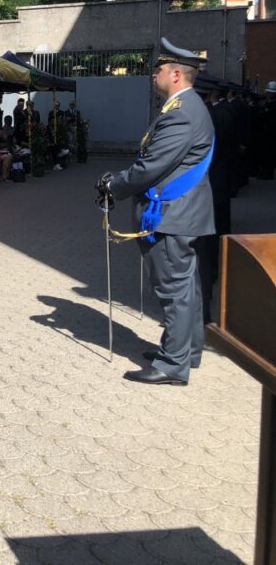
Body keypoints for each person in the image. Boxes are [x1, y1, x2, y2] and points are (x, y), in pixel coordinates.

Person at [98, 38, 215, 386]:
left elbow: (151, 166)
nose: (153, 74)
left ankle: (173, 364)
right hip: (182, 212)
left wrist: (113, 185)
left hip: (172, 214)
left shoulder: (181, 114)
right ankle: (186, 349)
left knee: (173, 289)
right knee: (186, 286)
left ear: (176, 74)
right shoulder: (184, 107)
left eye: (159, 69)